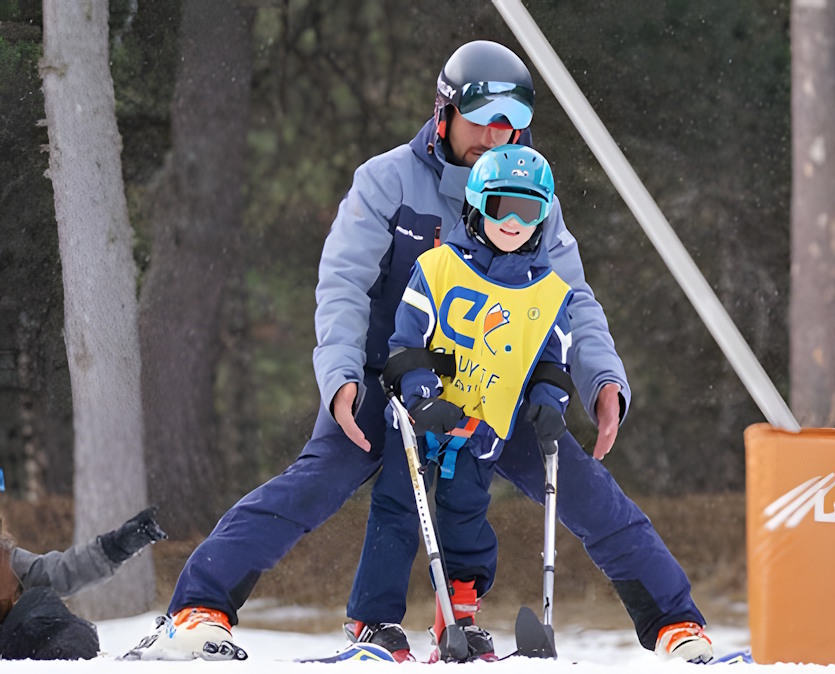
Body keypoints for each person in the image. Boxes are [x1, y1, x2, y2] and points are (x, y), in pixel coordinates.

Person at [126, 39, 712, 665]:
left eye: (512, 126)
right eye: (483, 123)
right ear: (445, 113)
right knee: (318, 481)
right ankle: (199, 610)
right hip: (391, 377)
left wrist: (603, 380)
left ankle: (678, 627)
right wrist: (342, 374)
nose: (496, 138)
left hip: (495, 384)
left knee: (587, 493)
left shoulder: (532, 193)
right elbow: (344, 282)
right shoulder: (388, 180)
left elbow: (573, 299)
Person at [379, 143, 572, 662]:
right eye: (501, 206)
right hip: (422, 419)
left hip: (483, 426)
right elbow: (406, 343)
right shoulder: (439, 268)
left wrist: (551, 403)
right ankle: (373, 619)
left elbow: (553, 363)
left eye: (528, 210)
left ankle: (459, 614)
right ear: (476, 206)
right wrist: (421, 397)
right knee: (397, 510)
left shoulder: (550, 293)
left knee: (467, 514)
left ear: (543, 216)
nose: (513, 222)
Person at [0, 508, 166, 660]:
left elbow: (61, 572)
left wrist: (115, 546)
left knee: (42, 603)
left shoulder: (7, 560)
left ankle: (72, 665)